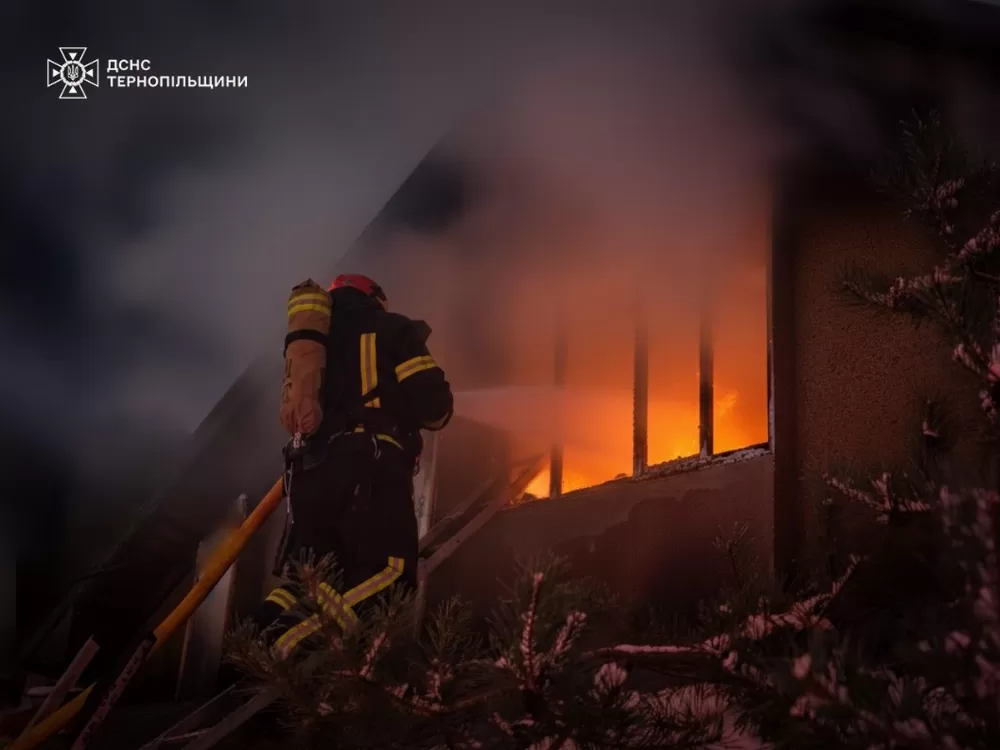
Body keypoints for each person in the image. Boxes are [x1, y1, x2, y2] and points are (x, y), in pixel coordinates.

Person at [258, 273, 453, 658]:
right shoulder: (393, 329)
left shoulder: (313, 345)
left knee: (309, 582)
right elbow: (435, 409)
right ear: (375, 298)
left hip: (308, 474)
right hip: (370, 470)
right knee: (390, 575)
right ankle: (282, 654)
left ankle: (249, 653)